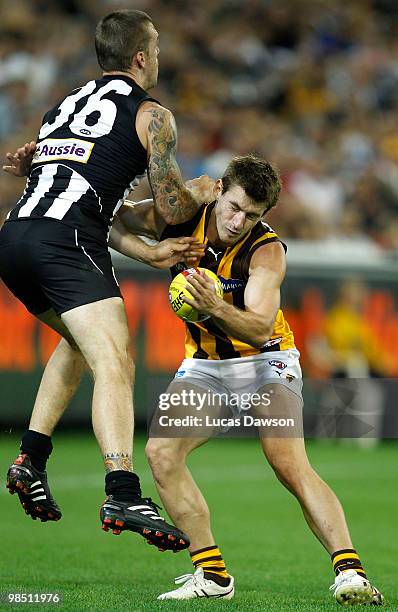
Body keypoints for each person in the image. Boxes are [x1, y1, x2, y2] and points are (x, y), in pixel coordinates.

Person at [113, 154, 384, 604]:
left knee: (287, 462)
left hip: (266, 363)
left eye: (252, 215)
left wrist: (213, 305)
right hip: (205, 366)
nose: (239, 221)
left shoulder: (267, 250)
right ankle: (213, 574)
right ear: (218, 189)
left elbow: (259, 328)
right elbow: (109, 219)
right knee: (161, 453)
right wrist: (149, 252)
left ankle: (349, 571)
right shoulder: (180, 217)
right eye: (234, 207)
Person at [0, 8, 214, 553]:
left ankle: (31, 457)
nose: (161, 56)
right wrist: (201, 191)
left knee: (78, 343)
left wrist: (148, 251)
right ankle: (122, 488)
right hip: (64, 243)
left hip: (15, 238)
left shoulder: (62, 109)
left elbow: (98, 206)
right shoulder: (153, 116)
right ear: (140, 57)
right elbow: (168, 205)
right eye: (158, 47)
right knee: (116, 360)